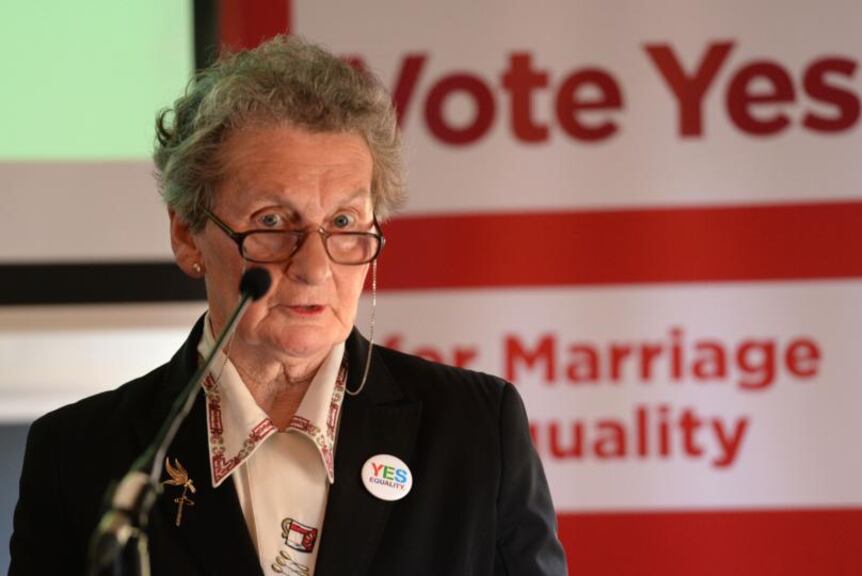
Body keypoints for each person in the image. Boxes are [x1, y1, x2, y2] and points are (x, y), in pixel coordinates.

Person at [9, 36, 567, 576]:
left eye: (344, 223)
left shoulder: (474, 430)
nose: (314, 267)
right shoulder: (81, 456)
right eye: (272, 222)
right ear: (187, 235)